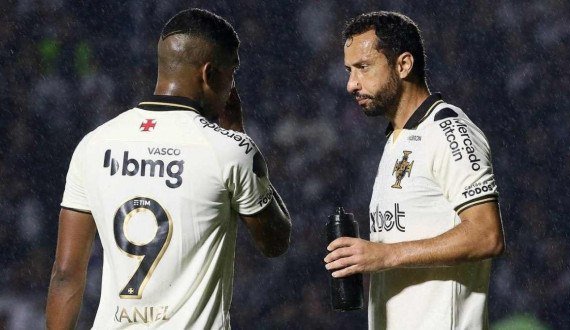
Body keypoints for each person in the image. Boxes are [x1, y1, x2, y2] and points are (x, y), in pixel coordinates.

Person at [46, 8, 291, 329]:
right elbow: (275, 242)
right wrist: (241, 137)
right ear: (210, 74)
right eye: (232, 74)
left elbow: (65, 273)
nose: (232, 88)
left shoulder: (93, 144)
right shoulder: (230, 150)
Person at [324, 11, 505, 329]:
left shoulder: (448, 130)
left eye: (363, 67)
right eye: (349, 71)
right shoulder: (397, 140)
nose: (351, 84)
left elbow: (486, 234)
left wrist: (384, 255)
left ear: (403, 65)